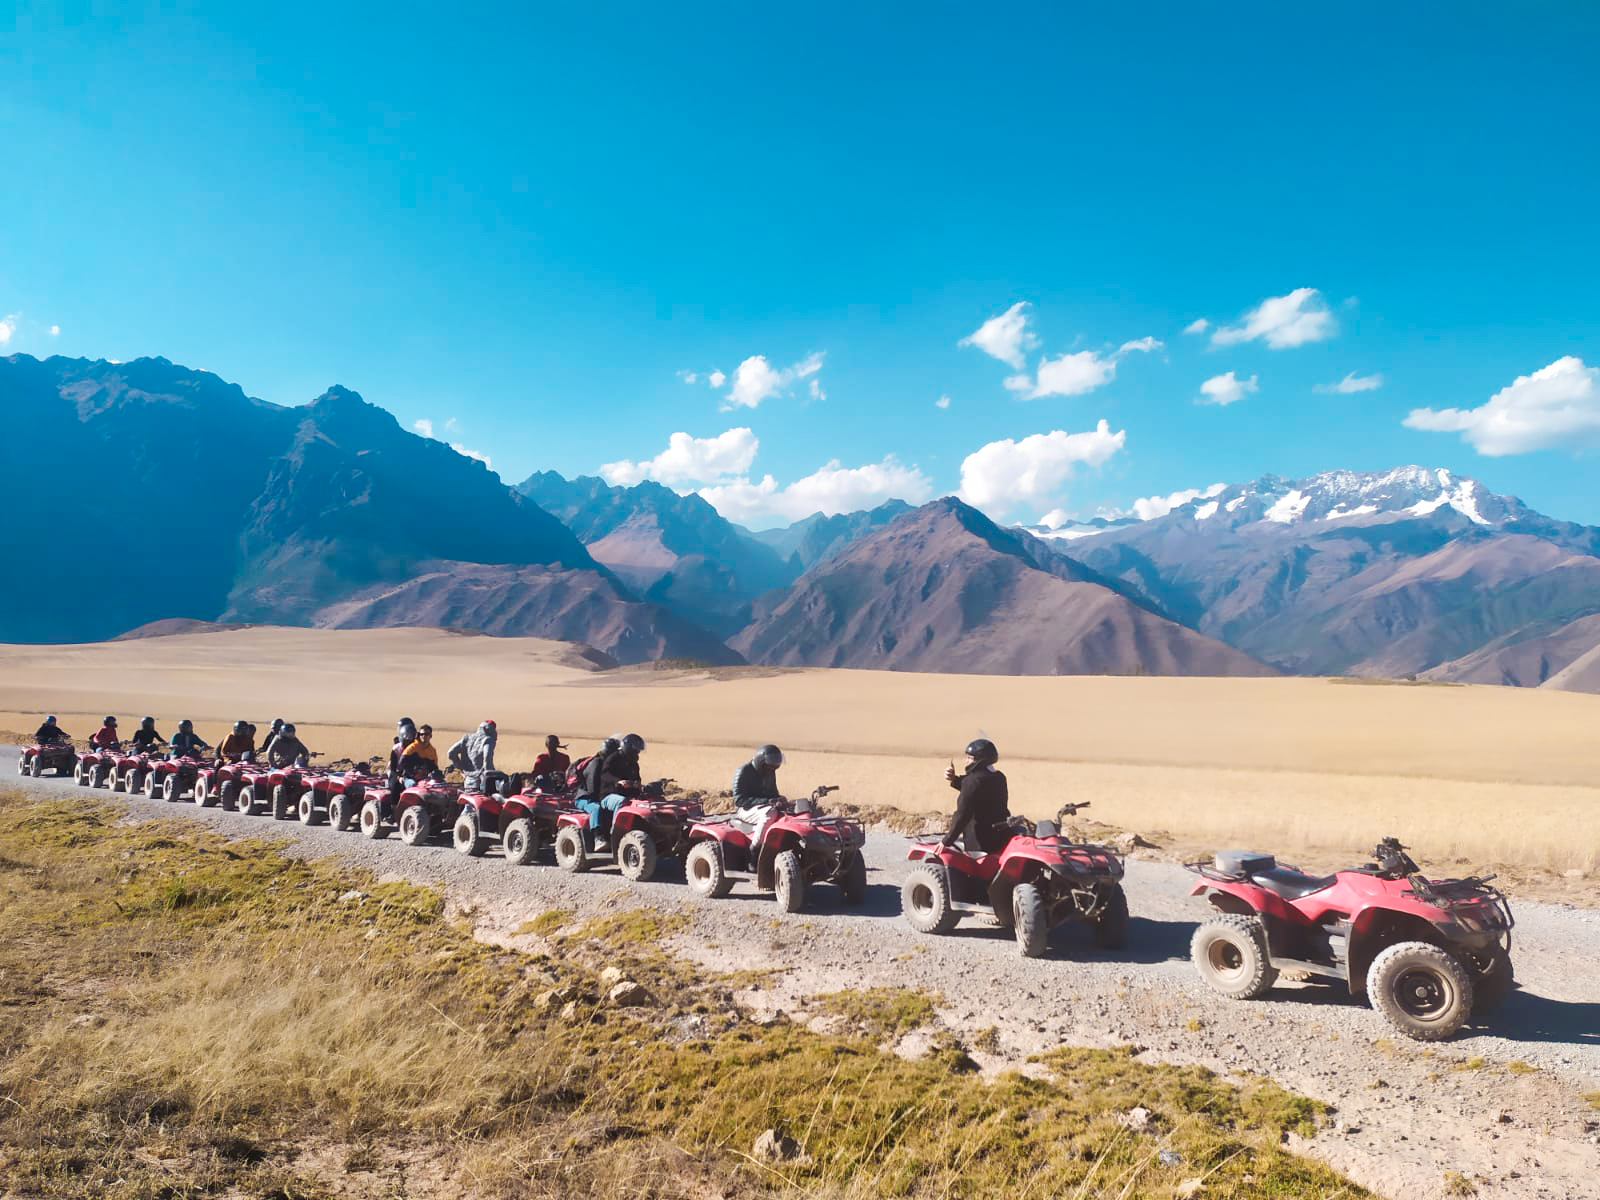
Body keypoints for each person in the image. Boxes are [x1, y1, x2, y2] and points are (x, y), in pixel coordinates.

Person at [941, 738, 1011, 854]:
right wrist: (955, 780)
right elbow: (980, 789)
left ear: (979, 761)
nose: (966, 761)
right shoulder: (999, 777)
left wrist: (946, 841)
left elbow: (962, 815)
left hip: (979, 843)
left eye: (970, 758)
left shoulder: (972, 782)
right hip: (1000, 838)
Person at [733, 744, 786, 850]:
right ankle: (755, 848)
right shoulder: (743, 771)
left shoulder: (770, 772)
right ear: (760, 761)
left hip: (762, 806)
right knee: (770, 813)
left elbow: (773, 794)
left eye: (773, 766)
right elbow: (739, 800)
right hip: (745, 809)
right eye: (769, 765)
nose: (772, 768)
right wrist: (766, 801)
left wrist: (781, 800)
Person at [447, 720, 498, 793]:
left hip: (468, 780)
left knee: (469, 800)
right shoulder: (488, 740)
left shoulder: (467, 738)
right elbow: (487, 759)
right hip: (481, 781)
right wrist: (490, 777)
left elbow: (451, 753)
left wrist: (462, 768)